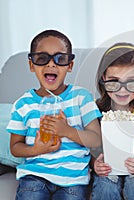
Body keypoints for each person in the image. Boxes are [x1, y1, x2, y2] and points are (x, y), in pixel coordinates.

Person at [6, 30, 102, 200]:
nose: (51, 64)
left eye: (60, 59)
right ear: (31, 65)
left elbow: (96, 140)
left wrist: (66, 131)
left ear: (70, 65)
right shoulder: (23, 104)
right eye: (42, 58)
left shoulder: (81, 98)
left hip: (73, 180)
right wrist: (37, 149)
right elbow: (15, 148)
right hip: (34, 177)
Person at [91, 42, 134, 200]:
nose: (122, 89)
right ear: (103, 78)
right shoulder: (95, 110)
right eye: (114, 81)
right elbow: (87, 149)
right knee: (105, 188)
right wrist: (95, 164)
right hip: (108, 166)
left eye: (131, 82)